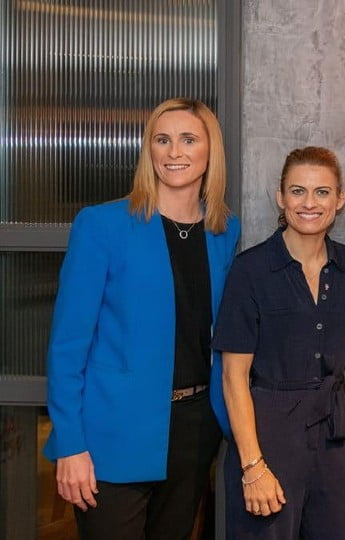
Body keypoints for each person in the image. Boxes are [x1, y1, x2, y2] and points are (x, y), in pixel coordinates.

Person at [43, 98, 241, 539]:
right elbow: (68, 345)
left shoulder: (223, 232)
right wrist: (71, 444)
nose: (174, 152)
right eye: (162, 140)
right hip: (112, 435)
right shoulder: (102, 225)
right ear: (148, 150)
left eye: (188, 140)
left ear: (210, 152)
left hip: (193, 433)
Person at [213, 146, 345, 539]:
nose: (309, 203)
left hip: (335, 435)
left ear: (339, 199)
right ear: (281, 198)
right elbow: (233, 376)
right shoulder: (251, 270)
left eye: (322, 192)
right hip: (268, 438)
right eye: (297, 191)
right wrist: (252, 466)